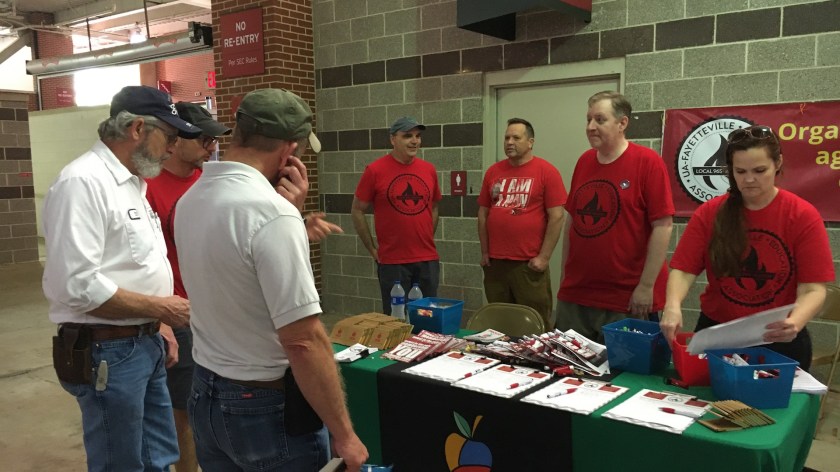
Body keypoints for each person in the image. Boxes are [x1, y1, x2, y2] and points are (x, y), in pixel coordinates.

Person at [175, 88, 368, 471]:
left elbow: (237, 274)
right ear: (288, 152)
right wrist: (345, 435)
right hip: (263, 409)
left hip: (207, 392)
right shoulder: (270, 215)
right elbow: (302, 340)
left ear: (239, 131)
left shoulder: (191, 199)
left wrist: (290, 215)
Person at [42, 85, 199, 471]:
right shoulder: (83, 183)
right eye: (170, 136)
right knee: (122, 462)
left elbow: (134, 266)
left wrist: (156, 322)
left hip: (142, 342)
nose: (171, 148)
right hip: (107, 351)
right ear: (138, 129)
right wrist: (160, 307)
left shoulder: (133, 185)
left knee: (158, 456)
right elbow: (75, 283)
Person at [661, 125, 835, 369]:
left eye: (760, 170)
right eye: (740, 171)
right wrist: (672, 306)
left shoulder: (802, 215)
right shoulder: (711, 213)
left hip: (778, 338)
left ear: (778, 163)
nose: (749, 179)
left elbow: (813, 289)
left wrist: (796, 321)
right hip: (718, 334)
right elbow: (683, 270)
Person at [145, 101, 231, 472]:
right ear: (176, 140)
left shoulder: (210, 182)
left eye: (213, 139)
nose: (211, 146)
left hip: (218, 309)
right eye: (202, 138)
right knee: (185, 410)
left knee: (218, 401)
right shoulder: (148, 188)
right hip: (179, 312)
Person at [555, 91, 674, 343]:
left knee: (622, 376)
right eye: (588, 119)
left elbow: (663, 226)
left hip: (626, 297)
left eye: (600, 119)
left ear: (622, 123)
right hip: (578, 294)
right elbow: (572, 221)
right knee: (570, 372)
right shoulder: (584, 162)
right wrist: (566, 276)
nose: (590, 127)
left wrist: (646, 286)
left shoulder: (647, 161)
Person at [477, 117, 567, 325]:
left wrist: (544, 257)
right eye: (507, 137)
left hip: (528, 265)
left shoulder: (546, 171)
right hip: (496, 264)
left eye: (516, 137)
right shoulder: (493, 172)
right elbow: (483, 214)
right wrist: (485, 252)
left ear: (530, 142)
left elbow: (557, 217)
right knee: (499, 322)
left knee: (534, 323)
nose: (509, 142)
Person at [351, 116, 441, 314]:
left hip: (427, 260)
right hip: (393, 262)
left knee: (426, 320)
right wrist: (373, 249)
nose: (414, 141)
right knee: (397, 321)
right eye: (407, 136)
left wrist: (425, 236)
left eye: (417, 136)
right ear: (393, 139)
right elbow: (357, 209)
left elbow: (434, 207)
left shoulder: (429, 170)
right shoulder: (375, 170)